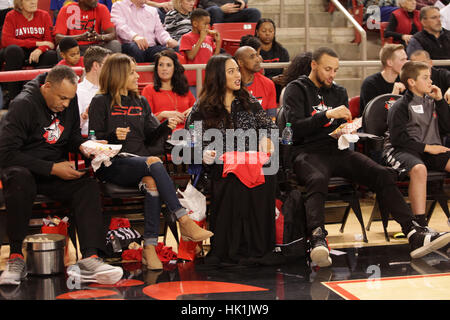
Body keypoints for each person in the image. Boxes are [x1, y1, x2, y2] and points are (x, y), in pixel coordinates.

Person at [282, 47, 450, 267]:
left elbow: (340, 127)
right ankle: (317, 238)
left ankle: (413, 233)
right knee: (317, 178)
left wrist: (347, 130)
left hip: (337, 149)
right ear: (314, 65)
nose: (332, 74)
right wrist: (327, 115)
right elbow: (293, 129)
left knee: (381, 174)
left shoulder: (339, 91)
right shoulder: (296, 89)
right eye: (327, 69)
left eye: (335, 70)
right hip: (306, 152)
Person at [0, 65, 124, 286]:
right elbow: (6, 154)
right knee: (19, 180)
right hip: (24, 170)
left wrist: (87, 146)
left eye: (69, 99)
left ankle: (90, 259)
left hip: (54, 171)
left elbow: (72, 136)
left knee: (87, 186)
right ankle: (16, 257)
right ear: (46, 87)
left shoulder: (69, 97)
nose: (66, 104)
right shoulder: (23, 105)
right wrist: (51, 168)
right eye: (62, 98)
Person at [88, 53, 213, 270]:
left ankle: (149, 247)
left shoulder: (140, 101)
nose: (138, 76)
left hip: (140, 162)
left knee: (152, 183)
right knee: (154, 163)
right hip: (112, 163)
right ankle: (184, 220)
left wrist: (166, 126)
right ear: (119, 75)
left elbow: (151, 137)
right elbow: (93, 139)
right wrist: (112, 135)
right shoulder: (100, 102)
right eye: (132, 72)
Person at [186, 54, 278, 266]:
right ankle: (231, 249)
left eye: (237, 70)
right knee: (234, 179)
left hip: (251, 163)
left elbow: (269, 126)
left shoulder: (248, 100)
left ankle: (259, 249)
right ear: (218, 76)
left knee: (267, 175)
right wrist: (204, 153)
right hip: (218, 166)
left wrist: (265, 138)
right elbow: (191, 141)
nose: (238, 75)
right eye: (231, 71)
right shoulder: (201, 108)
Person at [383, 61, 450, 228]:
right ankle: (420, 224)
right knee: (419, 169)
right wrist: (428, 148)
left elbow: (447, 127)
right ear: (412, 82)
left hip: (428, 150)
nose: (431, 82)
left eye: (430, 78)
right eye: (425, 78)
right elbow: (399, 140)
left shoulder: (433, 102)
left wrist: (441, 101)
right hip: (400, 150)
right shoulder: (399, 106)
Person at [1, 0, 58, 103]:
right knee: (13, 51)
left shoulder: (44, 15)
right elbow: (6, 41)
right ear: (20, 4)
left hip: (37, 54)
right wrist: (36, 43)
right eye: (28, 0)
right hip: (19, 52)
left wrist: (40, 49)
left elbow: (50, 43)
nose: (33, 2)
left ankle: (37, 95)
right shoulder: (11, 15)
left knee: (51, 55)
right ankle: (14, 97)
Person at [141, 49, 195, 131]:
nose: (164, 69)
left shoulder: (184, 89)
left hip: (186, 134)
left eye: (168, 65)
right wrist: (163, 114)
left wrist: (193, 110)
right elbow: (145, 121)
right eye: (161, 65)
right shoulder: (148, 90)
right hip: (163, 136)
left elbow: (197, 109)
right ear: (156, 68)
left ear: (175, 68)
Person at [111, 0, 178, 63]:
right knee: (135, 48)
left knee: (170, 51)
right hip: (130, 45)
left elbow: (159, 31)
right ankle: (136, 74)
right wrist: (134, 36)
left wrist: (168, 40)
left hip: (151, 48)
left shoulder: (152, 10)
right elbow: (119, 27)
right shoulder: (119, 6)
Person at [54, 0, 121, 55]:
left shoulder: (102, 8)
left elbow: (112, 34)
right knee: (60, 48)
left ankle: (113, 70)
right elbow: (58, 38)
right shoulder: (66, 9)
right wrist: (81, 37)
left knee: (115, 44)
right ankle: (67, 71)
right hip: (75, 49)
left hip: (97, 47)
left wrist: (99, 37)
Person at [179, 8, 221, 96]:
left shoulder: (209, 38)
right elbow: (190, 56)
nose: (208, 27)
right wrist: (201, 39)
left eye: (209, 24)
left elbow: (214, 59)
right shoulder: (186, 37)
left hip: (208, 80)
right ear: (195, 24)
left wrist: (218, 42)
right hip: (192, 82)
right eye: (205, 24)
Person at [359, 43, 408, 114]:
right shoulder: (370, 84)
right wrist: (393, 96)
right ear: (390, 62)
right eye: (402, 60)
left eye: (406, 59)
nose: (406, 63)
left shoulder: (405, 81)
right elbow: (375, 115)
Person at [234, 46, 277, 118]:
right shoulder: (230, 84)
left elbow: (272, 118)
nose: (257, 60)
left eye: (257, 55)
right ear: (240, 62)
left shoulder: (268, 84)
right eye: (252, 57)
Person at [77, 46, 111, 135]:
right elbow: (70, 128)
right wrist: (84, 116)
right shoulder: (77, 92)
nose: (112, 69)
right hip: (87, 141)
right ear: (96, 65)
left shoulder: (112, 90)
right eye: (108, 65)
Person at [254, 18, 290, 102]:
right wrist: (271, 80)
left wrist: (283, 78)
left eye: (270, 31)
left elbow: (286, 71)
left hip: (278, 87)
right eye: (264, 31)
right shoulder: (253, 51)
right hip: (259, 87)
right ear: (257, 32)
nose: (267, 34)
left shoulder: (282, 51)